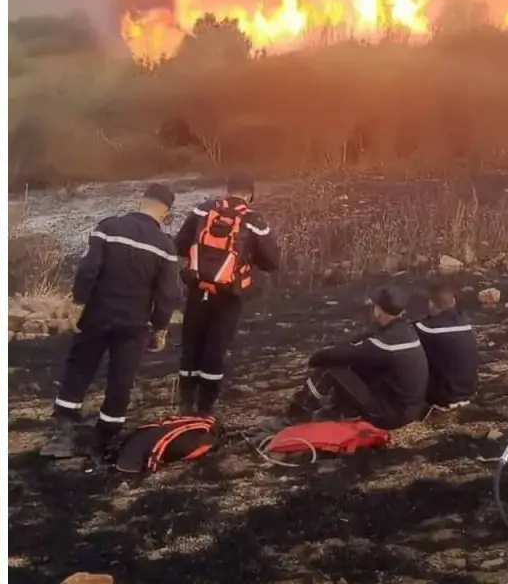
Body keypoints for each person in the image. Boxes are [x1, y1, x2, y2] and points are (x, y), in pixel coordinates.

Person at [40, 183, 184, 460]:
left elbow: (88, 269)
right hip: (135, 323)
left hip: (97, 314)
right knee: (122, 379)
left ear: (141, 200)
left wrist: (78, 303)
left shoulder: (108, 227)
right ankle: (105, 441)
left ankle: (62, 437)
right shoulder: (165, 246)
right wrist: (160, 327)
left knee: (79, 369)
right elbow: (168, 293)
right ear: (166, 212)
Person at [171, 174, 282, 416]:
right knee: (216, 348)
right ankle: (206, 407)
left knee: (191, 346)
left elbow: (179, 245)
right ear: (250, 195)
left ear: (227, 190)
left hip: (197, 289)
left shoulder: (202, 211)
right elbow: (272, 261)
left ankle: (186, 402)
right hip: (229, 295)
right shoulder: (254, 220)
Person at [274, 286, 428, 431]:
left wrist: (316, 358)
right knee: (354, 364)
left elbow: (338, 355)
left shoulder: (384, 344)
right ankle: (338, 410)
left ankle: (295, 416)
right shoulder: (403, 331)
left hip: (391, 415)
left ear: (379, 311)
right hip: (406, 407)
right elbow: (355, 344)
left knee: (330, 369)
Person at [415, 283, 478, 410]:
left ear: (431, 304)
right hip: (468, 391)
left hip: (443, 396)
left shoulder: (427, 329)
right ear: (453, 302)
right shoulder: (465, 324)